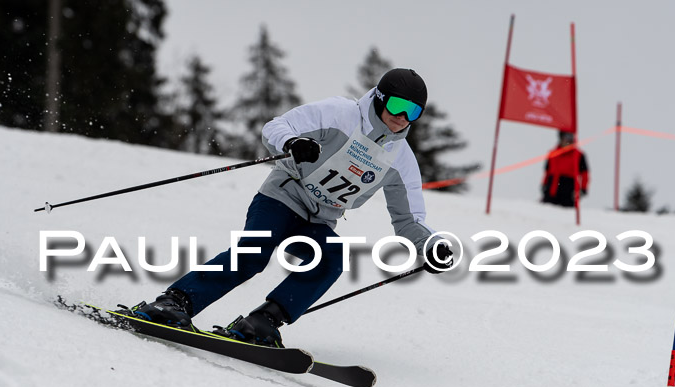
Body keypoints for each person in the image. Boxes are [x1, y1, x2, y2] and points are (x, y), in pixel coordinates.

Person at [133, 68, 453, 347]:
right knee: (253, 253)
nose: (402, 117)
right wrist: (293, 143)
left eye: (413, 112)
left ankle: (262, 322)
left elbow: (409, 220)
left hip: (319, 222)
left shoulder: (401, 161)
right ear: (381, 98)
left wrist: (431, 247)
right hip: (282, 197)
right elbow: (276, 127)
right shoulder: (340, 114)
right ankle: (174, 302)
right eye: (398, 105)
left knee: (331, 260)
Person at [541, 130, 590, 207]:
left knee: (565, 214)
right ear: (561, 138)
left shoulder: (579, 155)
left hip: (568, 191)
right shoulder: (553, 153)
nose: (569, 140)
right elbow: (547, 172)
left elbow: (585, 174)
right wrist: (544, 184)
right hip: (552, 189)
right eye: (566, 137)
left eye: (571, 137)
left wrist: (583, 189)